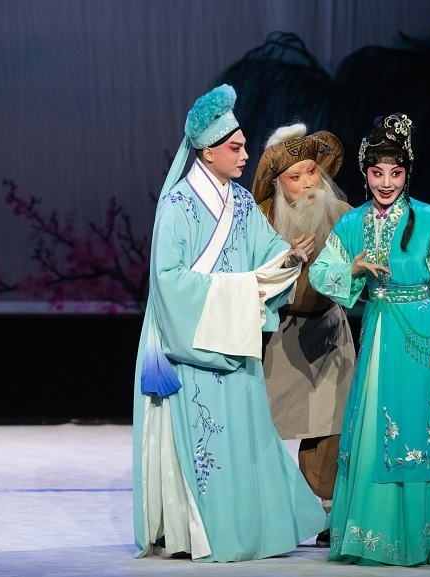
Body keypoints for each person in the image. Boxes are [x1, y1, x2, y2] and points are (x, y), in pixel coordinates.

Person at [131, 84, 326, 563]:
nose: (244, 155)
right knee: (206, 442)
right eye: (235, 148)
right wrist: (241, 290)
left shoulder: (239, 201)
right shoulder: (177, 206)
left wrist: (288, 257)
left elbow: (266, 250)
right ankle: (198, 532)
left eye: (242, 146)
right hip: (192, 344)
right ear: (207, 151)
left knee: (245, 435)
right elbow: (168, 280)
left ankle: (248, 528)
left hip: (234, 338)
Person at [308, 112, 430, 566]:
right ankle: (376, 535)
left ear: (407, 173)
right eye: (376, 172)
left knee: (420, 428)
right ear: (365, 173)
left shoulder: (427, 218)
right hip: (380, 328)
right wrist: (352, 268)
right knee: (376, 427)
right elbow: (320, 272)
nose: (386, 182)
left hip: (421, 337)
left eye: (396, 172)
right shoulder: (353, 224)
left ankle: (422, 535)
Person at [251, 123, 356, 548]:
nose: (309, 183)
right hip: (277, 334)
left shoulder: (344, 215)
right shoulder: (260, 221)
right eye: (295, 176)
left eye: (312, 171)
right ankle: (265, 512)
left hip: (328, 331)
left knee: (330, 425)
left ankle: (332, 512)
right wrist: (284, 261)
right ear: (278, 184)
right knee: (262, 425)